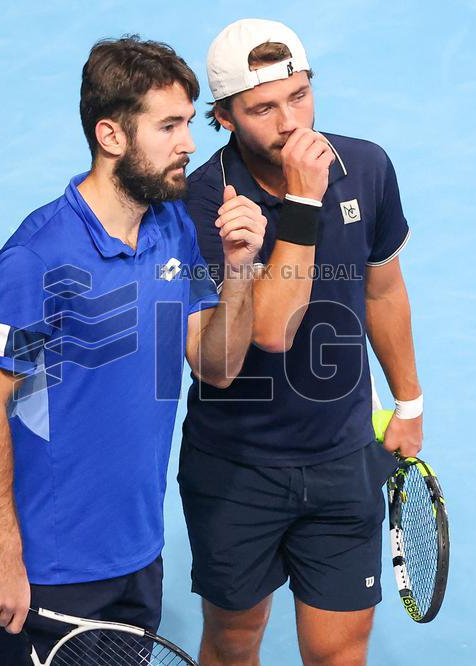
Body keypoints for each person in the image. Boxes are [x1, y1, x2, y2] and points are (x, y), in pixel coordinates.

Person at [0, 36, 265, 665]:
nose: (189, 142)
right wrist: (3, 552)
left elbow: (217, 365)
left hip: (136, 553)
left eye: (188, 122)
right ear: (112, 136)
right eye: (170, 125)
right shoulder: (36, 259)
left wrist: (238, 271)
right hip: (49, 565)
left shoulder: (174, 226)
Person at [178, 19, 424, 665]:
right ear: (225, 117)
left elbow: (383, 290)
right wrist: (304, 203)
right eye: (263, 107)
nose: (289, 121)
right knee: (234, 642)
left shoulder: (365, 166)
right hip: (236, 468)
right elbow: (270, 331)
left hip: (343, 458)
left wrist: (409, 403)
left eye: (300, 95)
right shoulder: (201, 203)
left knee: (340, 653)